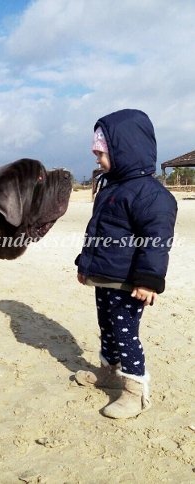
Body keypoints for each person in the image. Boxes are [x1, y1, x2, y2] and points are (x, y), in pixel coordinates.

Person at [74, 109, 177, 419]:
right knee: (106, 327)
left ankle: (134, 391)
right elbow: (97, 231)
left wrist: (148, 279)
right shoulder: (110, 186)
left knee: (125, 333)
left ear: (125, 151)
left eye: (101, 153)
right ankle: (108, 371)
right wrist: (85, 265)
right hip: (104, 276)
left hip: (129, 281)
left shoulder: (152, 195)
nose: (96, 159)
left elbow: (157, 240)